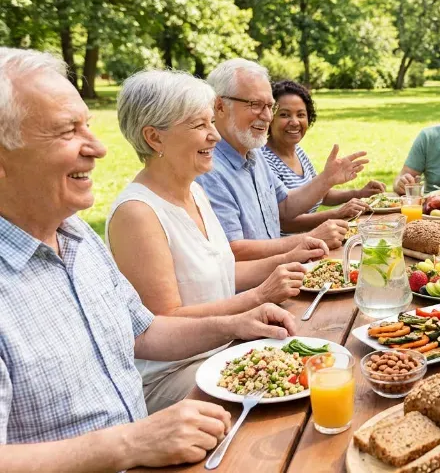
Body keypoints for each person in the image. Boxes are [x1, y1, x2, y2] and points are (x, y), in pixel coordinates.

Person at [0, 48, 300, 471]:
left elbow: (143, 331)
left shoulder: (76, 235)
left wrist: (236, 323)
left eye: (89, 125)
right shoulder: (132, 213)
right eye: (68, 131)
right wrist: (129, 444)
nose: (99, 148)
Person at [107, 70, 324, 413]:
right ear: (154, 138)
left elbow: (220, 273)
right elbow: (165, 321)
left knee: (320, 363)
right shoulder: (137, 213)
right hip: (175, 374)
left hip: (224, 349)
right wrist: (258, 298)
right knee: (296, 402)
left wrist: (291, 256)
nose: (213, 136)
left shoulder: (193, 189)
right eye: (199, 125)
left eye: (212, 122)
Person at [195, 59, 368, 255]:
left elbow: (284, 206)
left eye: (270, 106)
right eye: (256, 105)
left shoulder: (254, 153)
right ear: (219, 106)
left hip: (282, 276)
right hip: (258, 284)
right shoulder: (207, 168)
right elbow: (233, 250)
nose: (268, 116)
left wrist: (327, 179)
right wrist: (311, 238)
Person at [263, 80, 385, 232]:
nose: (294, 122)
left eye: (301, 114)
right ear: (269, 118)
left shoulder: (298, 152)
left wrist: (359, 193)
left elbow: (321, 194)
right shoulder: (263, 161)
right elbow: (283, 221)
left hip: (315, 240)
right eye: (284, 115)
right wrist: (336, 214)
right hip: (289, 248)